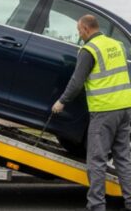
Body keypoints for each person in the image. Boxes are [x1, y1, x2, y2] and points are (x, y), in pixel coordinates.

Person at [52, 14, 131, 211]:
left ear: (86, 29)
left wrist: (62, 102)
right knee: (123, 158)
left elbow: (76, 81)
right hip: (124, 108)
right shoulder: (117, 45)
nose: (79, 34)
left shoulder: (89, 50)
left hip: (104, 111)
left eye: (79, 31)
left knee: (97, 160)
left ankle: (96, 205)